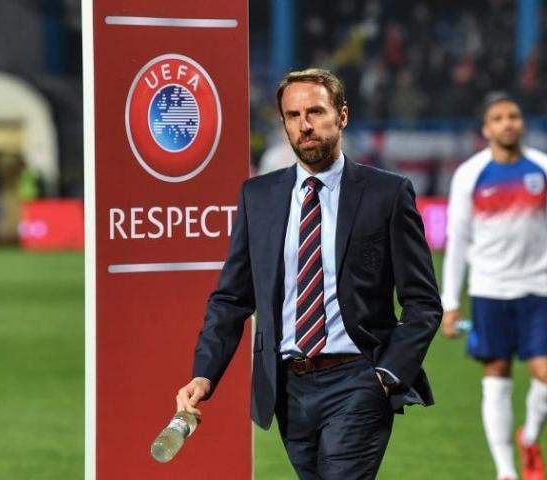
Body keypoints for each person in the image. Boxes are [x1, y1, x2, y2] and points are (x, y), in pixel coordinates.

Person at [176, 68, 442, 479]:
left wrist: (387, 376)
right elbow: (232, 297)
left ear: (342, 116)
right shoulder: (257, 197)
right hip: (289, 389)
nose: (305, 125)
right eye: (293, 115)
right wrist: (204, 373)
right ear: (283, 123)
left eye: (316, 111)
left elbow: (423, 301)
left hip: (359, 379)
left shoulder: (387, 194)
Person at [441, 92, 547, 480]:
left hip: (536, 289)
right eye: (499, 118)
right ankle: (506, 472)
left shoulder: (545, 169)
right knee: (496, 375)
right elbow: (458, 241)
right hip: (488, 291)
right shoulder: (470, 175)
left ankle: (530, 436)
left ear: (521, 122)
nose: (508, 123)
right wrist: (450, 301)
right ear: (486, 129)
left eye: (514, 116)